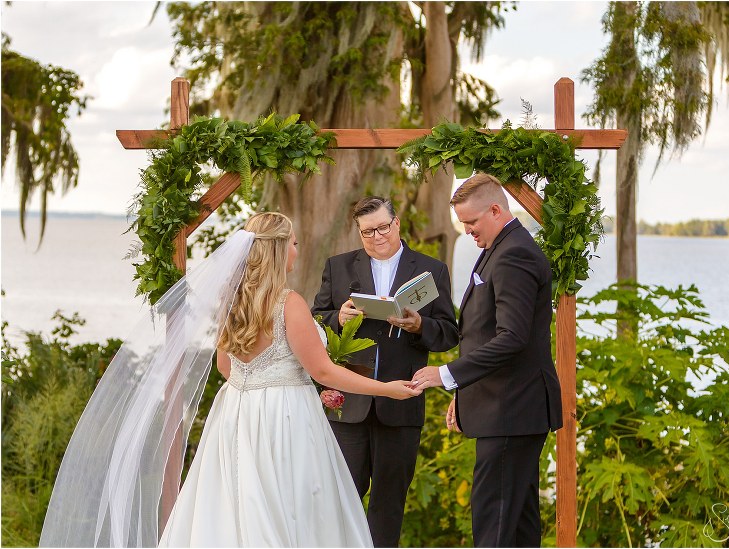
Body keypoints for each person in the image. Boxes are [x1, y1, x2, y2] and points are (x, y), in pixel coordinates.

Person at [40, 212, 421, 548]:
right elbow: (322, 371)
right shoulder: (289, 303)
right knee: (291, 507)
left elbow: (225, 368)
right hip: (285, 417)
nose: (297, 249)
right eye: (292, 242)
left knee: (235, 503)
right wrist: (386, 388)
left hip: (237, 410)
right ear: (276, 250)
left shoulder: (232, 299)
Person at [410, 174, 563, 548]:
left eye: (472, 222)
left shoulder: (515, 254)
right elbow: (482, 331)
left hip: (512, 408)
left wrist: (446, 374)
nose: (467, 231)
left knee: (493, 521)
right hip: (505, 404)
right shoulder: (502, 245)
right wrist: (464, 393)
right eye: (462, 223)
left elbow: (511, 338)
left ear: (496, 209)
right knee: (519, 522)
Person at [312, 196, 459, 547]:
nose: (377, 236)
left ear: (396, 223)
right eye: (367, 232)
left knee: (389, 503)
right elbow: (315, 319)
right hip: (350, 404)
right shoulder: (339, 266)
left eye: (382, 227)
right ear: (358, 232)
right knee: (340, 498)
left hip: (402, 402)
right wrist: (338, 318)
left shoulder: (430, 270)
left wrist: (420, 325)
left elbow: (449, 333)